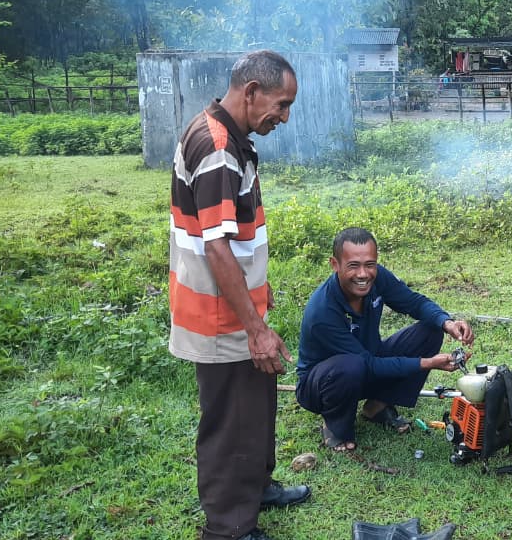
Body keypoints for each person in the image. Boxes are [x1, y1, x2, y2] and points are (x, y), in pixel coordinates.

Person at [168, 49, 310, 540]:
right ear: (251, 92)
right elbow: (217, 246)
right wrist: (255, 329)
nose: (284, 117)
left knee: (255, 407)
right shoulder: (217, 147)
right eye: (282, 104)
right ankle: (230, 526)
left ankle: (256, 486)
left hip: (236, 312)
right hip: (220, 317)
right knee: (231, 421)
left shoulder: (229, 136)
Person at [296, 227, 475, 452]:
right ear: (335, 264)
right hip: (324, 384)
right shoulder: (322, 312)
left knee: (431, 329)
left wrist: (446, 322)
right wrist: (428, 363)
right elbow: (368, 365)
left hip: (366, 363)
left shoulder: (377, 277)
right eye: (353, 265)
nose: (363, 274)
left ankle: (377, 407)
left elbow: (414, 302)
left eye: (370, 264)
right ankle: (335, 424)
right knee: (351, 366)